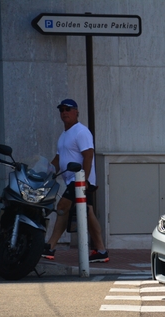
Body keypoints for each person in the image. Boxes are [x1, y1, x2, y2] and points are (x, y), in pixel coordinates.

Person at [42, 99, 109, 263]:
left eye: (68, 109)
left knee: (62, 207)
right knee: (88, 213)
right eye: (62, 110)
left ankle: (50, 246)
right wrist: (45, 173)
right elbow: (58, 159)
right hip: (73, 180)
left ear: (76, 112)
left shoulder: (81, 132)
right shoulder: (64, 135)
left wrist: (84, 180)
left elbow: (88, 155)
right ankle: (101, 251)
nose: (64, 112)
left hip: (79, 180)